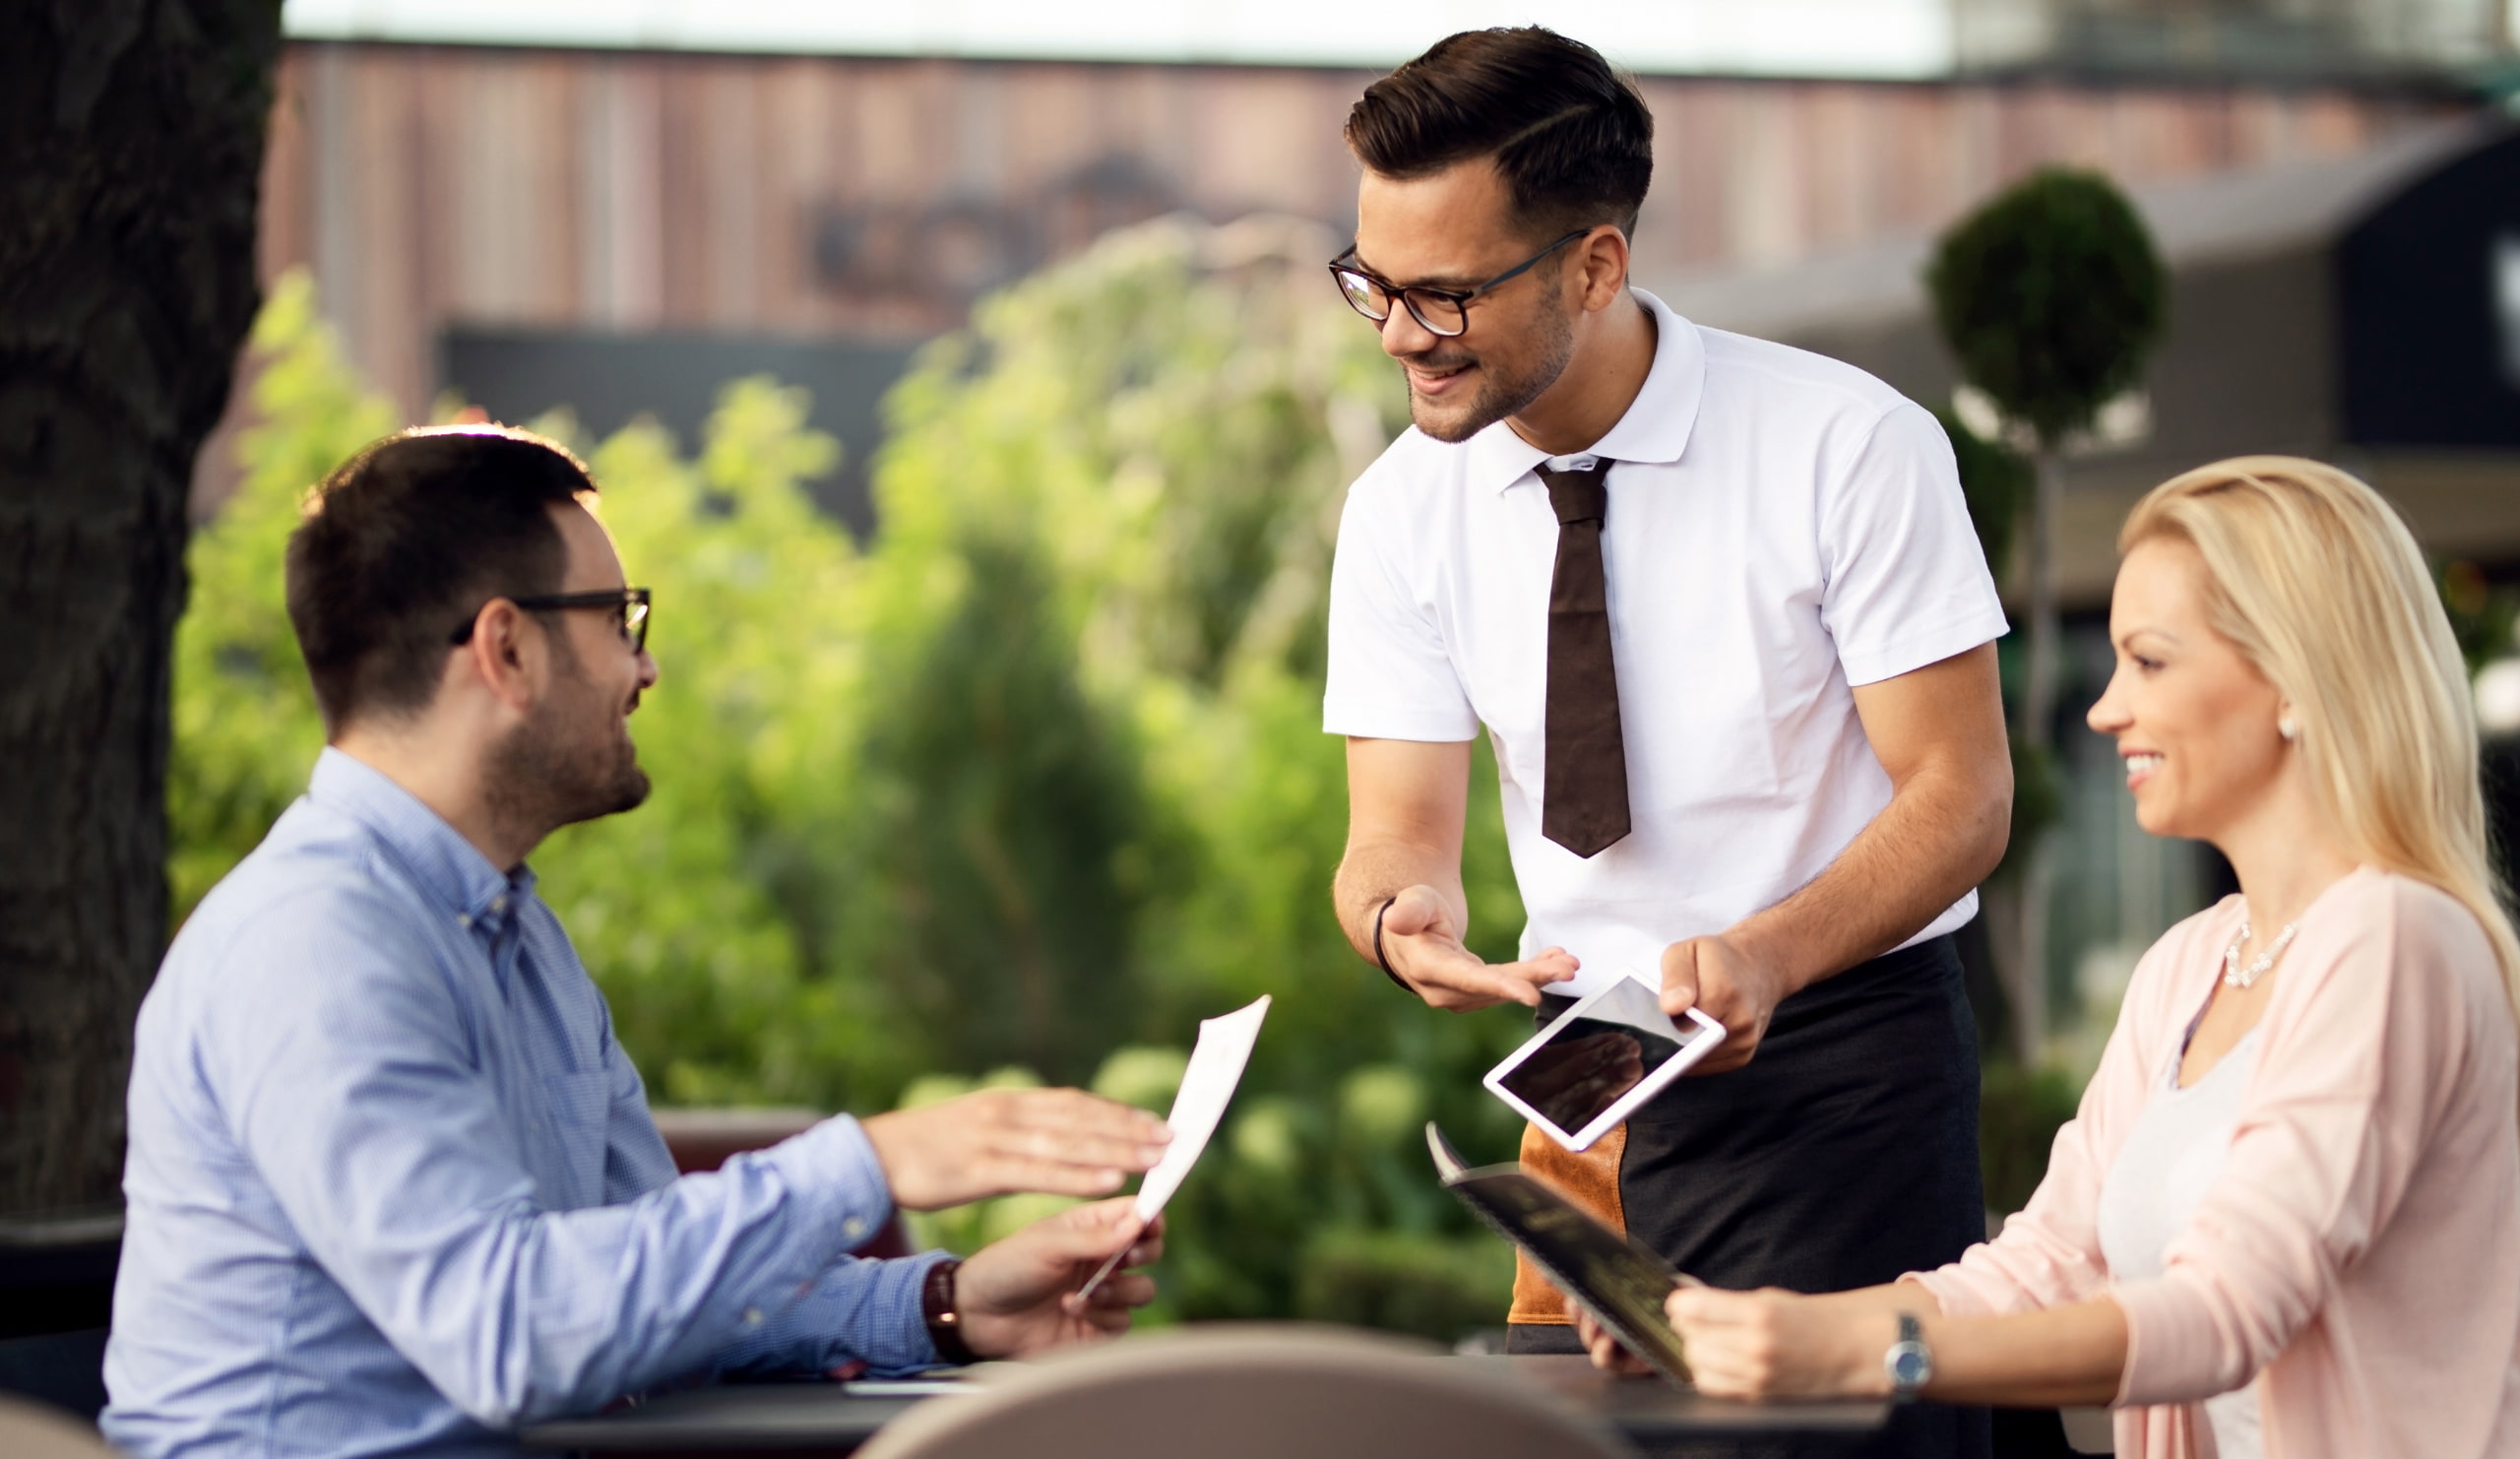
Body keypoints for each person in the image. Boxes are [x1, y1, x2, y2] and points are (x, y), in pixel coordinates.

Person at [103, 427, 1172, 1459]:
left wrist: (947, 1306)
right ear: (507, 649)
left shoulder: (517, 940)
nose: (643, 671)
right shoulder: (314, 946)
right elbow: (509, 1334)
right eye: (620, 621)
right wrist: (872, 1161)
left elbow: (651, 1286)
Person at [1322, 27, 2011, 1457]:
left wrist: (1764, 952)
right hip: (1583, 1074)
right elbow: (1390, 833)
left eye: (1444, 294)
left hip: (1843, 1070)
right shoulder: (1400, 509)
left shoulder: (1849, 447)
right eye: (1373, 285)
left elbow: (1963, 797)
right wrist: (1405, 918)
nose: (1398, 333)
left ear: (1594, 264)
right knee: (1569, 1443)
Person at [1580, 457, 2520, 1458]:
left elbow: (2224, 1313)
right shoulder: (2194, 961)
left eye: (2149, 662)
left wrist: (1866, 1354)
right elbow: (2046, 1264)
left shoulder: (2393, 940)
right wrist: (1740, 1325)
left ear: (2296, 679)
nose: (2103, 709)